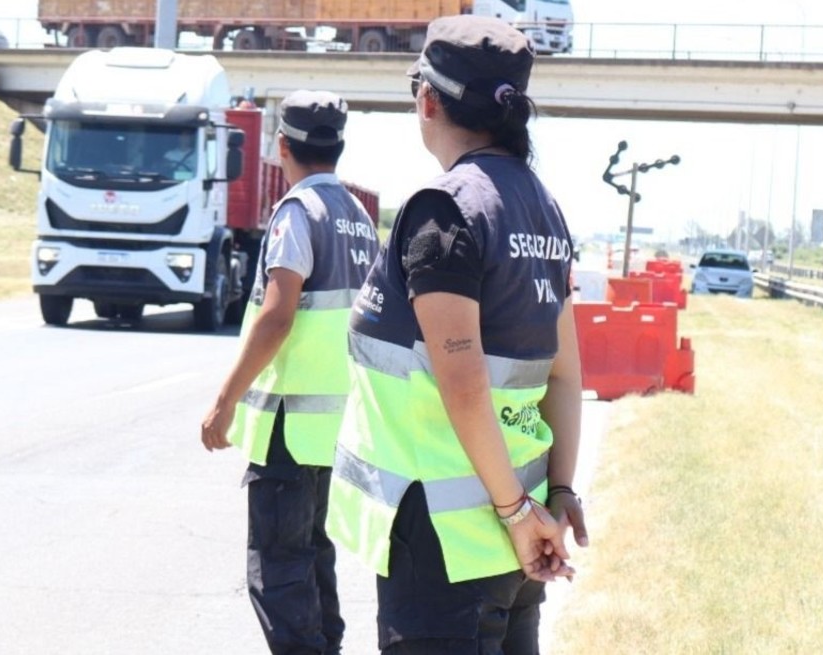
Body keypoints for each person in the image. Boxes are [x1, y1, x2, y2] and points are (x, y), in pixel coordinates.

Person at [324, 16, 589, 654]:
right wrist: (555, 495)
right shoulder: (541, 208)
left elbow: (463, 383)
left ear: (428, 99)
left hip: (448, 542)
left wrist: (520, 516)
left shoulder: (445, 211)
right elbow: (565, 372)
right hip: (513, 529)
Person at [201, 90, 379, 655]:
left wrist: (225, 399)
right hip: (334, 428)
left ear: (281, 146)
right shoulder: (358, 217)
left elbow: (277, 316)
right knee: (311, 557)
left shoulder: (299, 212)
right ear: (340, 146)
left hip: (289, 428)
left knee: (278, 569)